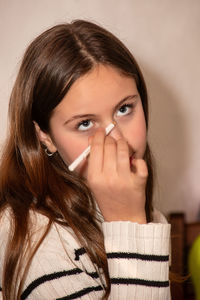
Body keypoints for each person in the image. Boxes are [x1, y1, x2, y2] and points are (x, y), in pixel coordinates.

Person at [0, 20, 171, 300]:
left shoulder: (147, 214)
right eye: (85, 123)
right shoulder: (31, 237)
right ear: (45, 135)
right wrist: (129, 224)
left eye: (125, 108)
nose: (116, 139)